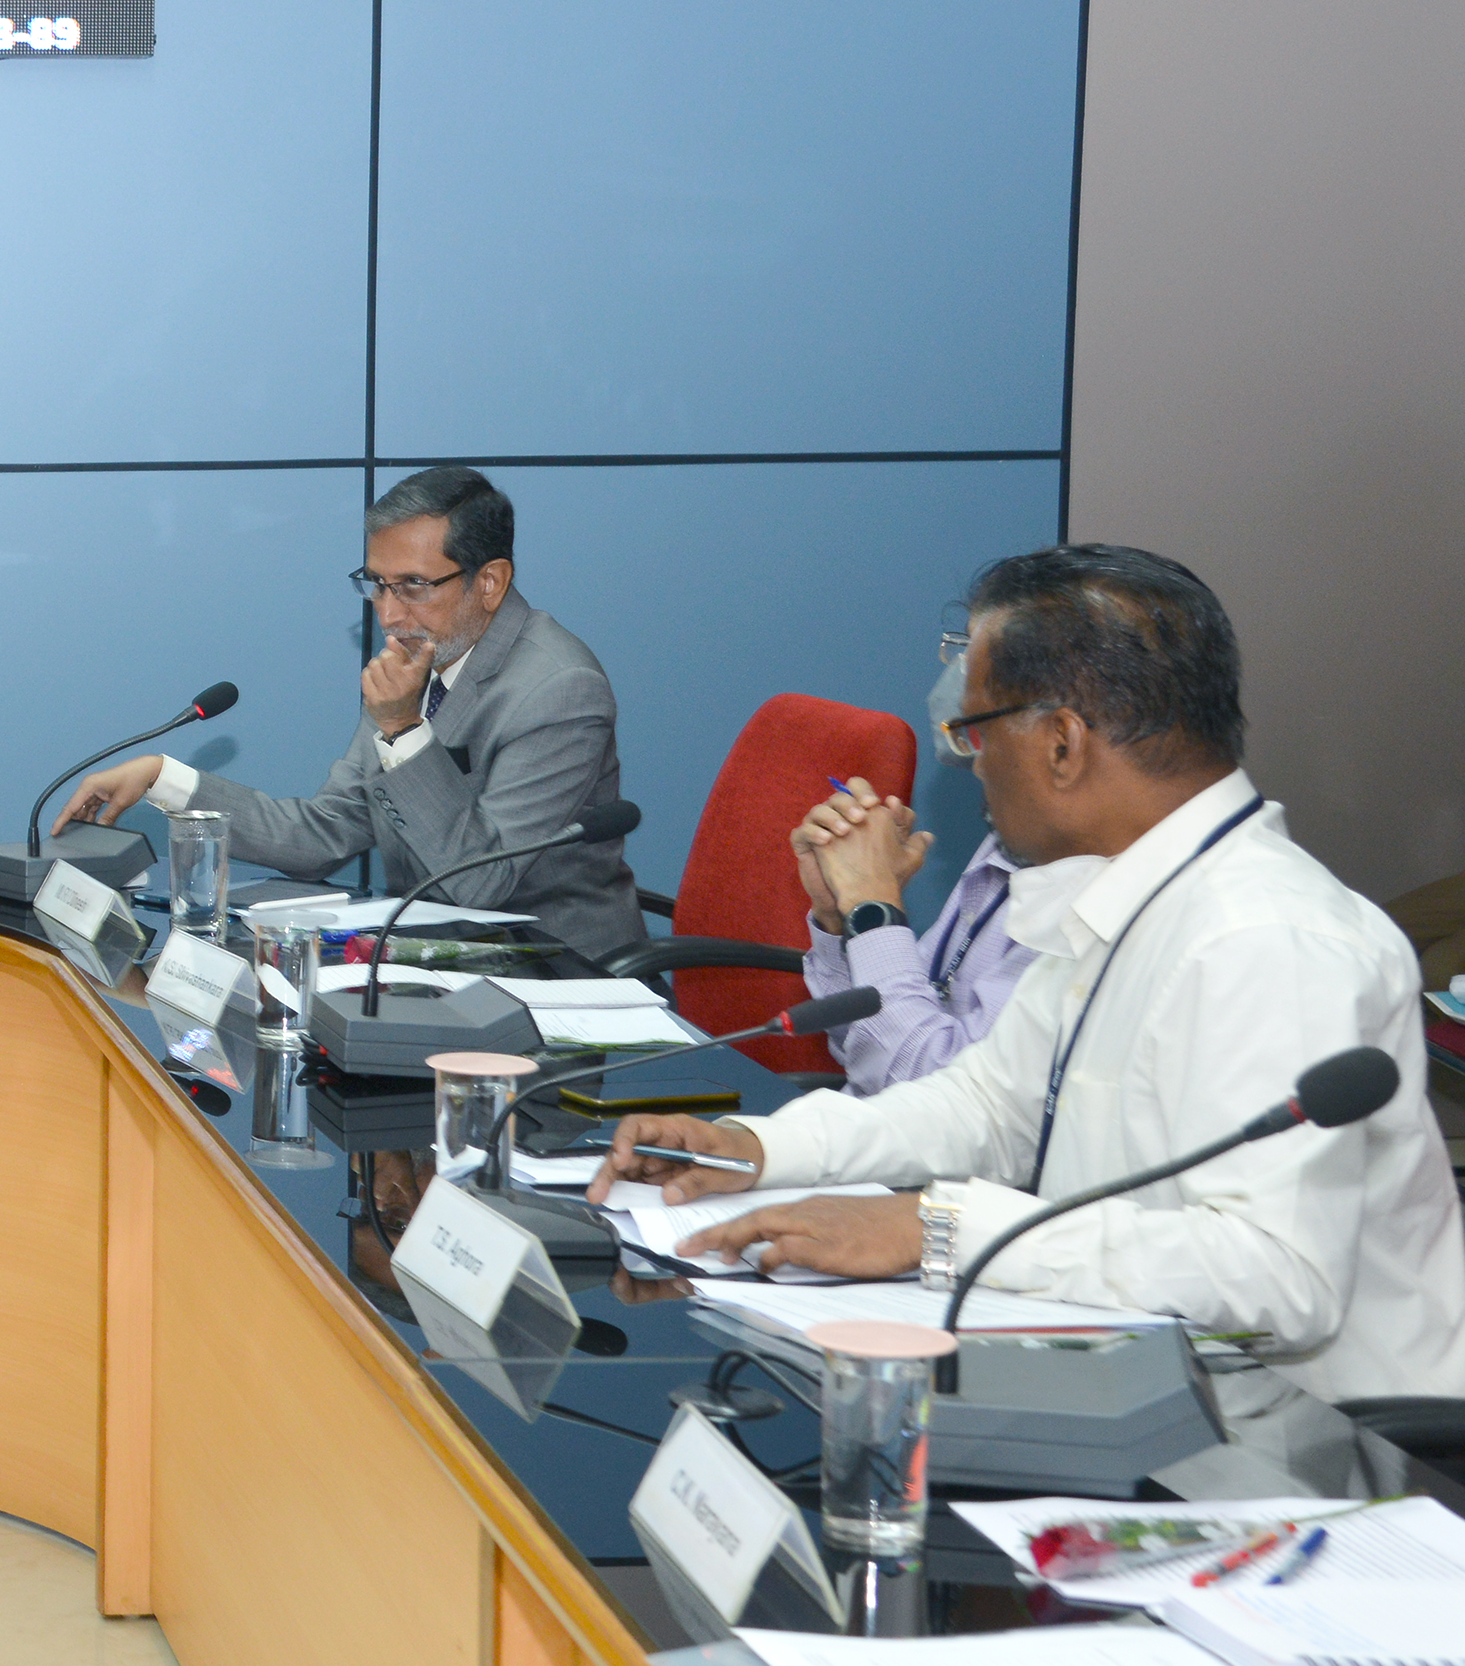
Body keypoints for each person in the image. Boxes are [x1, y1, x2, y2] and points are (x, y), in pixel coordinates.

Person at [592, 545, 1465, 1404]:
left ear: (1060, 744)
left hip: (1310, 1452)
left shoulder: (1268, 942)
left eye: (975, 732)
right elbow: (989, 1107)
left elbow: (1275, 1280)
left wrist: (934, 1229)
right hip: (1136, 1380)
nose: (969, 765)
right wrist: (763, 1150)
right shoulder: (1123, 890)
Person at [52, 465, 644, 960]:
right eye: (377, 584)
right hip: (435, 962)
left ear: (489, 582)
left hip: (553, 978)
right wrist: (165, 778)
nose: (388, 614)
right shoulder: (420, 660)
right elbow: (323, 835)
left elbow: (478, 885)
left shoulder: (559, 691)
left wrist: (404, 731)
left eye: (413, 585)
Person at [791, 630, 1034, 1092]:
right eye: (962, 643)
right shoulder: (1008, 836)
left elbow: (939, 1099)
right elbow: (866, 1048)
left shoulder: (1088, 882)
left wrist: (872, 903)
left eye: (979, 648)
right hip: (869, 1137)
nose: (959, 669)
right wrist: (841, 915)